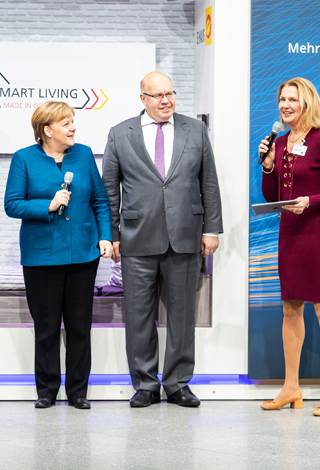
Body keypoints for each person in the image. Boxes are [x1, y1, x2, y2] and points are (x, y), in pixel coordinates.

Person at [102, 71, 222, 408]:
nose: (166, 100)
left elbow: (208, 182)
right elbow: (109, 189)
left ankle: (178, 383)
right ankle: (145, 384)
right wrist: (111, 235)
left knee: (182, 317)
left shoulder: (195, 130)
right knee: (139, 316)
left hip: (185, 236)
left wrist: (211, 228)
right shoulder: (119, 134)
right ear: (143, 98)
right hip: (136, 239)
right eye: (158, 96)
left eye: (170, 93)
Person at [4, 101, 113, 409]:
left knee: (80, 327)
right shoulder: (24, 158)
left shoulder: (84, 155)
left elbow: (101, 201)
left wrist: (105, 236)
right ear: (47, 130)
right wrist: (47, 206)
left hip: (83, 254)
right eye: (66, 124)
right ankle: (47, 391)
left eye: (72, 122)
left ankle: (78, 391)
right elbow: (12, 204)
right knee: (47, 327)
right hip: (41, 258)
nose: (73, 128)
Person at [258, 77, 320, 416]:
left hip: (317, 233)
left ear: (307, 103)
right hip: (290, 232)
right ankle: (291, 387)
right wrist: (267, 164)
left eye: (292, 99)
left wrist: (310, 201)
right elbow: (273, 196)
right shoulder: (279, 142)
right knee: (290, 308)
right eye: (282, 99)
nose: (285, 105)